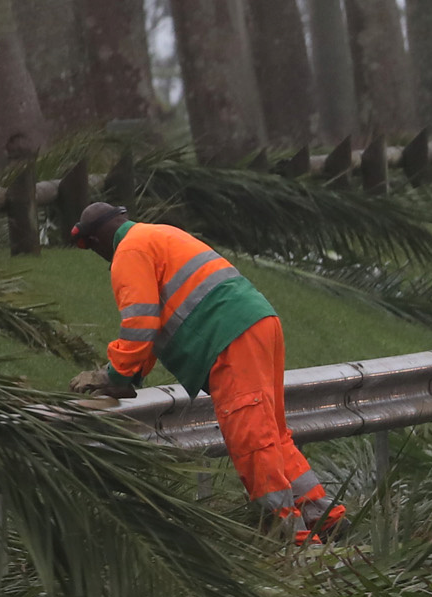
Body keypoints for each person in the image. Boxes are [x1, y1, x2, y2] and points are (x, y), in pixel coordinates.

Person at [63, 203, 346, 542]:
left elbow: (140, 325)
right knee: (269, 430)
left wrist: (115, 376)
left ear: (96, 240)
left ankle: (290, 535)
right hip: (259, 323)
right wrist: (129, 375)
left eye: (93, 248)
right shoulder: (160, 234)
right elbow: (158, 327)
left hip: (229, 336)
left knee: (249, 435)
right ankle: (321, 515)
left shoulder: (129, 252)